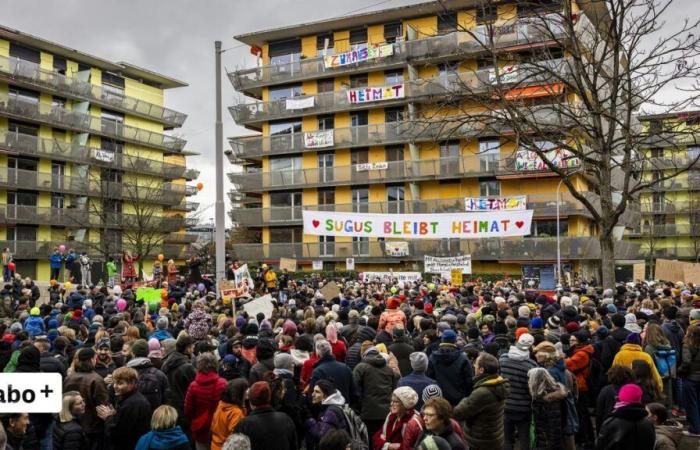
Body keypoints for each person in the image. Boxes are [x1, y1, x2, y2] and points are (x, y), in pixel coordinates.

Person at [453, 353, 509, 450]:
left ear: (481, 369)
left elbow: (458, 413)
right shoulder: (499, 383)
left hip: (481, 440)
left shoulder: (483, 392)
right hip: (494, 436)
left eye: (476, 364)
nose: (474, 366)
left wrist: (466, 398)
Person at [63, 348, 109, 449]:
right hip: (93, 428)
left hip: (71, 424)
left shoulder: (69, 378)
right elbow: (102, 405)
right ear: (92, 359)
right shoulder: (96, 380)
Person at [96, 367, 152, 450]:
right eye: (114, 383)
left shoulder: (131, 403)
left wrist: (108, 418)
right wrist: (115, 415)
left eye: (120, 383)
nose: (115, 386)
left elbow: (118, 432)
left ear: (132, 384)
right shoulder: (132, 399)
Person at [499, 333, 537, 450]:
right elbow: (533, 390)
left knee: (507, 439)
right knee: (524, 438)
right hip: (524, 408)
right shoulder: (531, 366)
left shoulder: (503, 359)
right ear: (530, 347)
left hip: (506, 405)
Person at [234, 381, 298, 450]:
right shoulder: (286, 419)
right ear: (269, 398)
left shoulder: (244, 425)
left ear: (250, 401)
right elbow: (294, 446)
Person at [353, 346, 400, 439]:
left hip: (367, 413)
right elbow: (395, 387)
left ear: (365, 355)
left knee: (368, 440)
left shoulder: (360, 367)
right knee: (383, 440)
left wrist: (358, 407)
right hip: (386, 413)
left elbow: (354, 390)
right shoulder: (389, 369)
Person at [184, 353, 228, 450]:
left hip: (201, 428)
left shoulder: (193, 386)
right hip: (219, 427)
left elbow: (188, 411)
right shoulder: (223, 383)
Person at [595, 384, 655, 450]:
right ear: (639, 399)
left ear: (620, 398)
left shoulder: (610, 423)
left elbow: (601, 445)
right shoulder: (648, 423)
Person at [427, 330, 473, 406]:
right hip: (459, 400)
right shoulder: (463, 358)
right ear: (455, 341)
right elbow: (469, 380)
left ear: (442, 340)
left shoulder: (433, 357)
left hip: (440, 400)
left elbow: (430, 378)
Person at [126, 339, 170, 412]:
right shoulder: (160, 375)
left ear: (133, 353)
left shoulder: (125, 373)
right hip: (155, 419)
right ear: (148, 353)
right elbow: (166, 400)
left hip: (132, 417)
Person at [528, 367, 566, 450]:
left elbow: (554, 429)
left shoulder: (550, 400)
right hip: (543, 441)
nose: (528, 382)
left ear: (536, 381)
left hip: (547, 444)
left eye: (530, 379)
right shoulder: (541, 396)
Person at [304, 380, 348, 450]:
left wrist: (310, 421)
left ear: (325, 395)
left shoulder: (330, 412)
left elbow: (322, 437)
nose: (312, 394)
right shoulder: (333, 407)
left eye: (317, 392)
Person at [210, 379, 248, 450]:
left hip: (215, 445)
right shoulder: (236, 413)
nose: (247, 392)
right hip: (225, 447)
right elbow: (236, 438)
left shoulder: (221, 404)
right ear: (240, 394)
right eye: (245, 390)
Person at [679, 323, 700, 434]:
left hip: (691, 378)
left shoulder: (687, 344)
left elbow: (686, 362)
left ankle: (694, 428)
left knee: (691, 404)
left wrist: (680, 371)